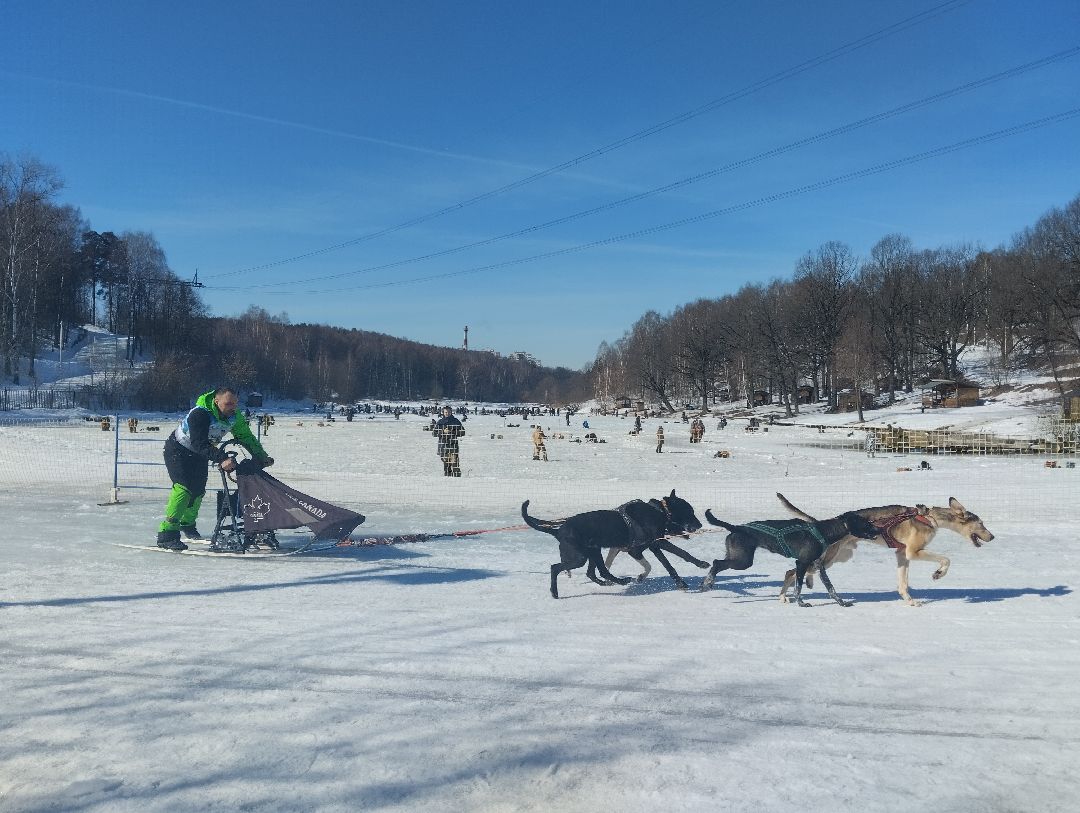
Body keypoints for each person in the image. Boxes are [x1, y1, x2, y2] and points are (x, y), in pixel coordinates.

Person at [156, 386, 273, 551]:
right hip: (178, 450)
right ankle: (167, 533)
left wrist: (261, 456)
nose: (233, 408)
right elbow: (199, 443)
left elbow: (245, 436)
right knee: (184, 488)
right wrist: (222, 458)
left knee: (198, 491)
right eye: (228, 404)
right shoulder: (200, 414)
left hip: (201, 453)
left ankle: (187, 524)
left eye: (235, 404)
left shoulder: (234, 416)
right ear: (216, 402)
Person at [434, 405, 465, 476]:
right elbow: (434, 433)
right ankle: (448, 479)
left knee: (454, 464)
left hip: (453, 445)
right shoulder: (440, 422)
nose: (447, 413)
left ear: (451, 412)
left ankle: (457, 479)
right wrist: (442, 431)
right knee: (446, 465)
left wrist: (452, 432)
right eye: (446, 412)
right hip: (443, 446)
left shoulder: (455, 421)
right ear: (443, 413)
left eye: (448, 412)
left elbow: (463, 432)